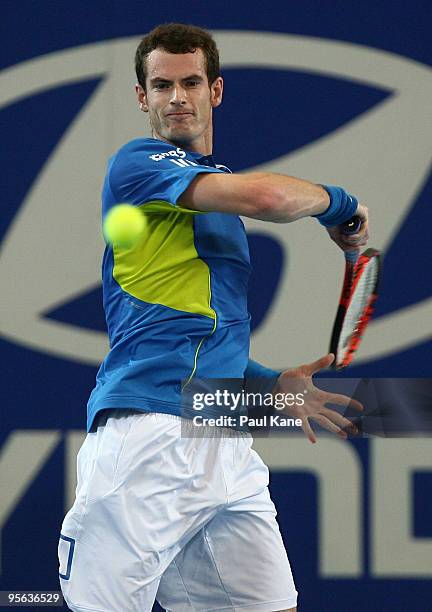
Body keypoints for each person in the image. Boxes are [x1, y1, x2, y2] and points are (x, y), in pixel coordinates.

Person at [58, 23, 369, 612]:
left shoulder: (215, 203)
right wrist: (342, 206)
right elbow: (272, 200)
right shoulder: (138, 162)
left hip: (222, 438)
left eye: (191, 82)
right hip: (150, 432)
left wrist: (273, 388)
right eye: (162, 85)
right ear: (141, 98)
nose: (177, 96)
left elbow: (203, 337)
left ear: (215, 90)